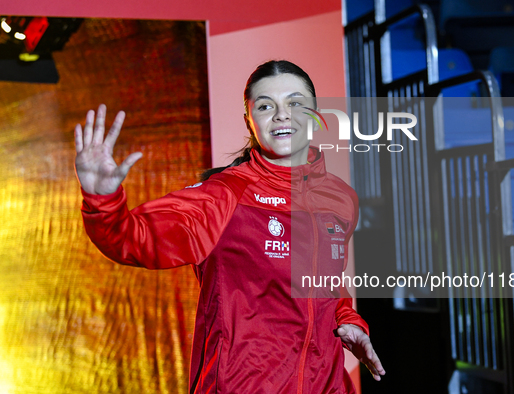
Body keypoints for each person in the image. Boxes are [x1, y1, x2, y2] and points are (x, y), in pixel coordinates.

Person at [74, 60, 385, 393]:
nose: (282, 115)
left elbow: (325, 283)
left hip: (328, 385)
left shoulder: (339, 198)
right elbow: (133, 238)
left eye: (295, 102)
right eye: (266, 106)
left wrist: (348, 320)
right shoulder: (223, 195)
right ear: (249, 121)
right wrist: (103, 199)